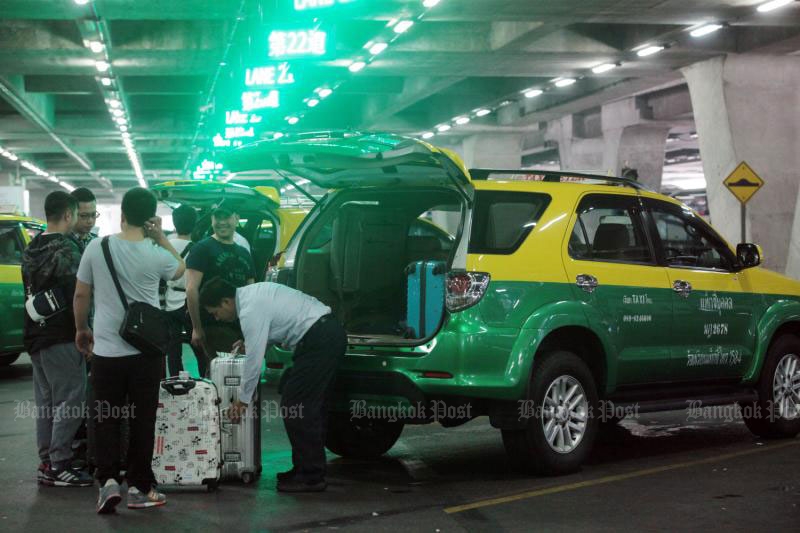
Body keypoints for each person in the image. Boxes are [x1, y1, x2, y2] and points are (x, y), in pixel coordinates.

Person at [74, 187, 185, 514]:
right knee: (142, 420)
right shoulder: (156, 253)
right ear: (151, 217)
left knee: (106, 417)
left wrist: (82, 330)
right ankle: (139, 487)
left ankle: (107, 482)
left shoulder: (97, 247)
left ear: (122, 213)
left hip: (107, 352)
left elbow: (81, 295)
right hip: (147, 353)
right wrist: (161, 237)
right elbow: (181, 270)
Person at [200, 277, 346, 493]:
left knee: (297, 405)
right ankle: (304, 468)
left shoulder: (249, 310)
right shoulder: (252, 295)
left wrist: (242, 401)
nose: (218, 318)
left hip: (320, 339)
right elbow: (271, 326)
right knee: (307, 405)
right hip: (323, 335)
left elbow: (254, 362)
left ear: (226, 302)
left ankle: (311, 475)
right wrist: (249, 342)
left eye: (215, 312)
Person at [22, 191, 93, 487]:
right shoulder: (69, 249)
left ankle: (47, 462)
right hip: (63, 335)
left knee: (48, 402)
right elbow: (80, 294)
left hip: (35, 333)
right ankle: (60, 463)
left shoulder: (32, 246)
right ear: (68, 215)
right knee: (71, 398)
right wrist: (84, 330)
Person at [185, 206, 255, 362]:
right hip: (212, 325)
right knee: (221, 373)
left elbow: (251, 291)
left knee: (239, 373)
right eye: (218, 218)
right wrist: (197, 328)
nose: (222, 223)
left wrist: (249, 330)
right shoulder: (202, 249)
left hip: (238, 326)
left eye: (227, 217)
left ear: (236, 218)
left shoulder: (244, 252)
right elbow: (191, 290)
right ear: (212, 220)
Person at [163, 204, 207, 377]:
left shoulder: (165, 245)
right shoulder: (199, 248)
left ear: (174, 224)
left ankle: (176, 384)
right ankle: (205, 380)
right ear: (195, 224)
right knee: (198, 347)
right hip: (190, 302)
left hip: (169, 301)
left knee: (173, 351)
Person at [70, 187, 98, 252]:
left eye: (93, 215)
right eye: (84, 216)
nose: (90, 221)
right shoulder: (59, 244)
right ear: (70, 214)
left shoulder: (97, 242)